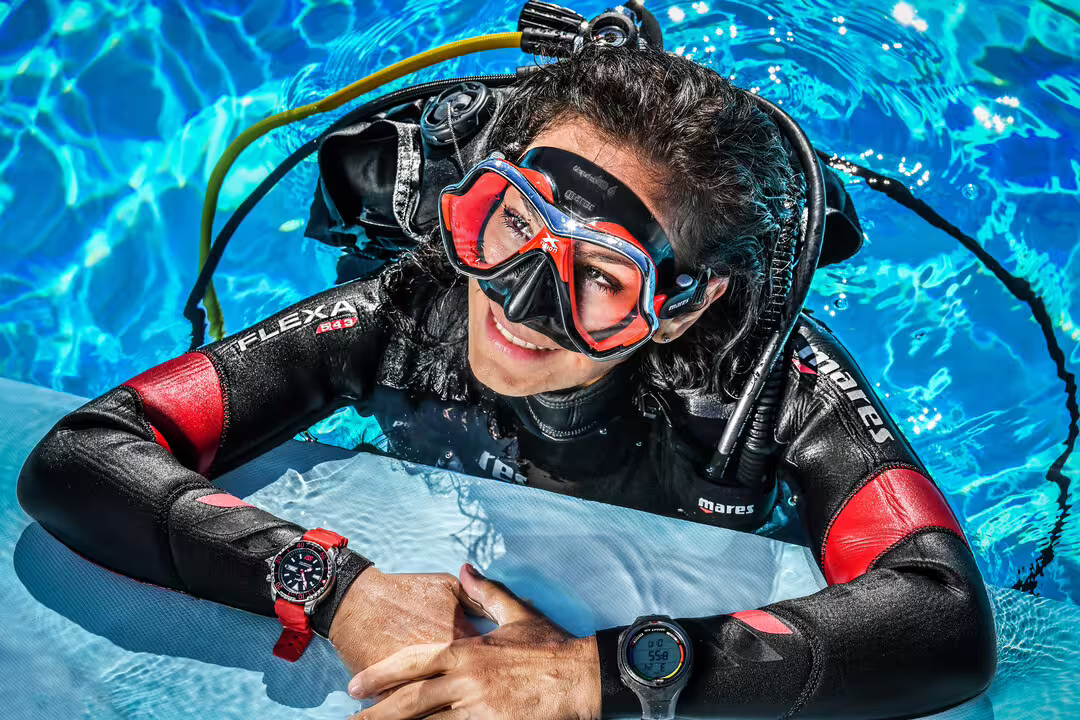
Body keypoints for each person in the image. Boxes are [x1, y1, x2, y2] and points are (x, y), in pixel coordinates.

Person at [18, 44, 996, 719]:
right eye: (513, 221)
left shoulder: (767, 388)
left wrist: (596, 676)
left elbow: (942, 616)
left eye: (601, 276)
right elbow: (84, 455)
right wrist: (332, 588)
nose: (518, 301)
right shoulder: (409, 312)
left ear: (683, 306)